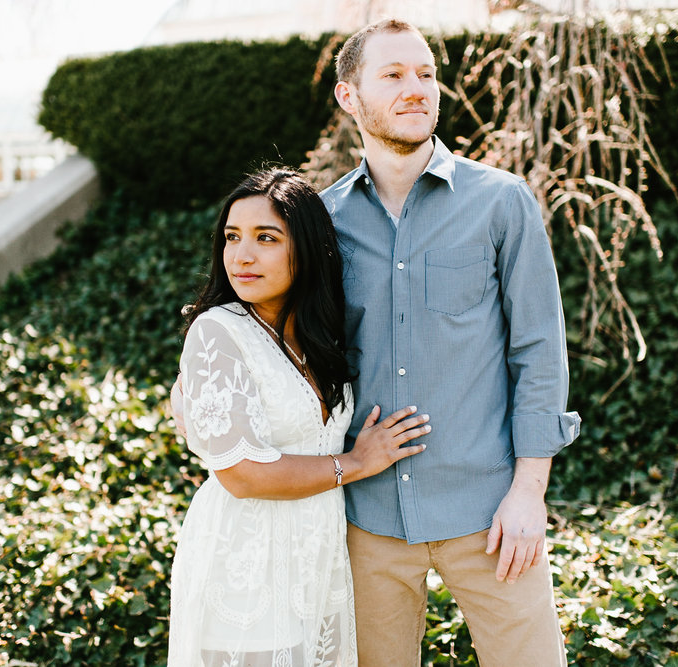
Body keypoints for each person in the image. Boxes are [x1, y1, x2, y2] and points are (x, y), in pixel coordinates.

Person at [319, 19, 582, 667]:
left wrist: (530, 491)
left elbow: (539, 351)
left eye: (427, 74)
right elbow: (291, 350)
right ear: (349, 96)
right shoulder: (321, 221)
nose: (417, 89)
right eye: (394, 75)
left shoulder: (501, 203)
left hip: (491, 516)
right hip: (368, 521)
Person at [167, 167, 430, 667]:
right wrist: (356, 463)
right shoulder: (218, 330)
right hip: (246, 563)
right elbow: (242, 474)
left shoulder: (317, 334)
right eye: (232, 237)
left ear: (306, 249)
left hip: (316, 559)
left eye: (266, 238)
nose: (242, 255)